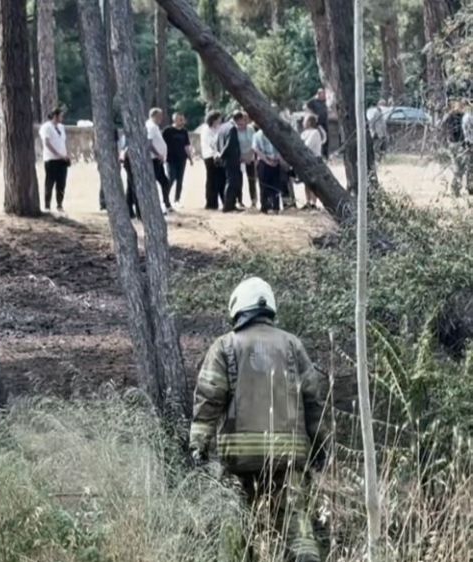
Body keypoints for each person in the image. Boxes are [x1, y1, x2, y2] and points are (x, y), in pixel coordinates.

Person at [190, 277, 328, 562]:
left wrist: (198, 445)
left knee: (236, 521)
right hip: (288, 455)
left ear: (238, 308)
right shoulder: (293, 345)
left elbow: (209, 398)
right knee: (295, 520)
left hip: (238, 458)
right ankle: (306, 556)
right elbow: (314, 401)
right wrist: (319, 448)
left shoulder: (225, 345)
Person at [40, 107, 70, 212]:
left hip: (62, 159)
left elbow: (63, 142)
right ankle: (47, 205)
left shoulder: (61, 127)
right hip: (51, 159)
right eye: (60, 115)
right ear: (55, 116)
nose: (62, 118)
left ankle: (59, 204)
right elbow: (47, 143)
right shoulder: (46, 127)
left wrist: (65, 154)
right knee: (50, 182)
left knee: (61, 183)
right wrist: (57, 154)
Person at [215, 111, 246, 213]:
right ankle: (228, 206)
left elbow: (217, 142)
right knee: (232, 182)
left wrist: (219, 155)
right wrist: (222, 156)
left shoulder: (222, 127)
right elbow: (229, 145)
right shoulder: (232, 128)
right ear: (239, 119)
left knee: (229, 181)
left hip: (225, 159)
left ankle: (230, 204)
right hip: (231, 159)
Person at [163, 113, 193, 208]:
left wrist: (190, 157)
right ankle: (165, 199)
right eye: (180, 119)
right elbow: (162, 144)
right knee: (171, 178)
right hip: (171, 159)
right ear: (174, 120)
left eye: (183, 120)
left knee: (180, 180)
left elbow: (186, 146)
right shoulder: (167, 131)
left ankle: (177, 200)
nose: (182, 122)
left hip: (182, 159)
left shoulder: (184, 131)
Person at [146, 108, 173, 212]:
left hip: (157, 159)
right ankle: (165, 204)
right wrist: (158, 154)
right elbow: (149, 143)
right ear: (154, 116)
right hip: (154, 159)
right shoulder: (151, 127)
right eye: (159, 116)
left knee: (164, 181)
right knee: (163, 182)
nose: (161, 118)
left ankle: (166, 203)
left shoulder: (155, 126)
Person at [199, 111, 225, 210]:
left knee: (221, 179)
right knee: (212, 180)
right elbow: (210, 144)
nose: (220, 120)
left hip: (219, 156)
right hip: (210, 156)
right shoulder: (206, 129)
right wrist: (215, 154)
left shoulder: (219, 128)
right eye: (219, 118)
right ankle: (211, 203)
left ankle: (224, 200)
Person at [252, 127, 282, 213]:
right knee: (264, 186)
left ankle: (275, 207)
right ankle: (264, 206)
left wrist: (277, 159)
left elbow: (280, 147)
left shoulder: (275, 134)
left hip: (275, 161)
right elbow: (256, 149)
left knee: (276, 185)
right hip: (264, 162)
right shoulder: (257, 135)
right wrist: (266, 160)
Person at [300, 115, 327, 210]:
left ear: (309, 122)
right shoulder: (303, 133)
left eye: (305, 121)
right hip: (305, 159)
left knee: (314, 182)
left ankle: (313, 202)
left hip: (314, 159)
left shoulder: (315, 133)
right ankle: (307, 201)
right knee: (306, 182)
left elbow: (308, 145)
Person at [237, 118, 257, 208]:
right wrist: (241, 157)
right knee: (239, 180)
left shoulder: (250, 129)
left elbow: (254, 143)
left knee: (252, 179)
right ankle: (239, 200)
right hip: (240, 157)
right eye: (239, 124)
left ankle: (253, 200)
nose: (241, 125)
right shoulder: (235, 130)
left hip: (250, 156)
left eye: (243, 123)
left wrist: (249, 156)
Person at [304, 88, 330, 159]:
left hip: (324, 122)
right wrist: (313, 114)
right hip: (317, 123)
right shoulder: (314, 101)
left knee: (326, 138)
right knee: (318, 138)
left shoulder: (324, 101)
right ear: (318, 94)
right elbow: (305, 106)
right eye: (322, 94)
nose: (324, 95)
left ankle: (326, 155)